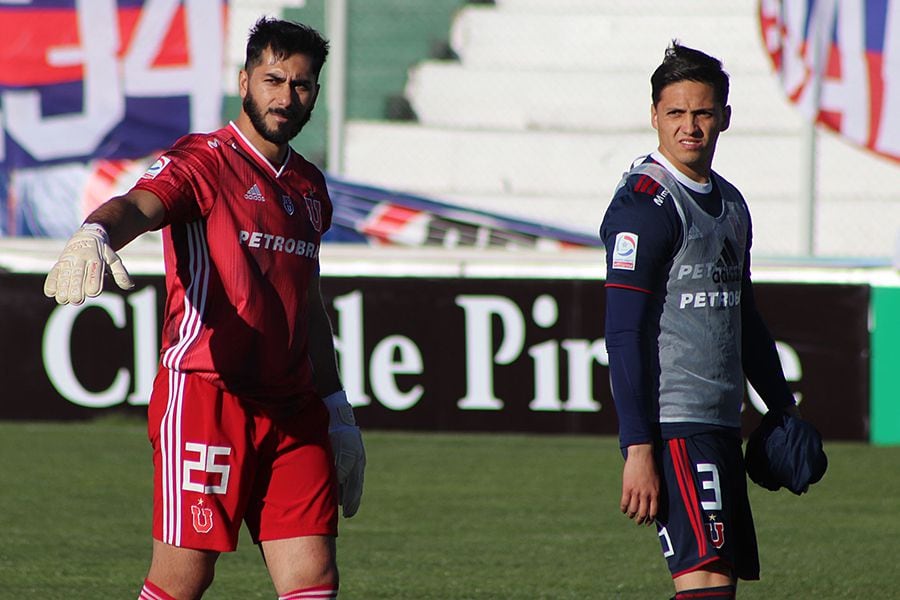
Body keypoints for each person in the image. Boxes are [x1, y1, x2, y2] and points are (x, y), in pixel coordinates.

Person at [43, 17, 365, 600]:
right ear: (243, 81)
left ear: (315, 92)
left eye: (301, 84)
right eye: (272, 80)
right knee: (183, 579)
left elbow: (308, 305)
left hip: (294, 411)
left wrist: (336, 407)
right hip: (207, 399)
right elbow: (138, 205)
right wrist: (95, 233)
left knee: (314, 581)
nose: (285, 97)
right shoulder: (204, 159)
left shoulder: (310, 188)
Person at [599, 42, 802, 599]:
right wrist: (638, 449)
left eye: (703, 113)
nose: (690, 126)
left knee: (718, 584)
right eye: (676, 113)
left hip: (720, 421)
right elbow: (624, 334)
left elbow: (746, 316)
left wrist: (780, 407)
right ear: (654, 116)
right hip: (674, 426)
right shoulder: (644, 206)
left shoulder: (732, 205)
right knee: (707, 584)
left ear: (725, 118)